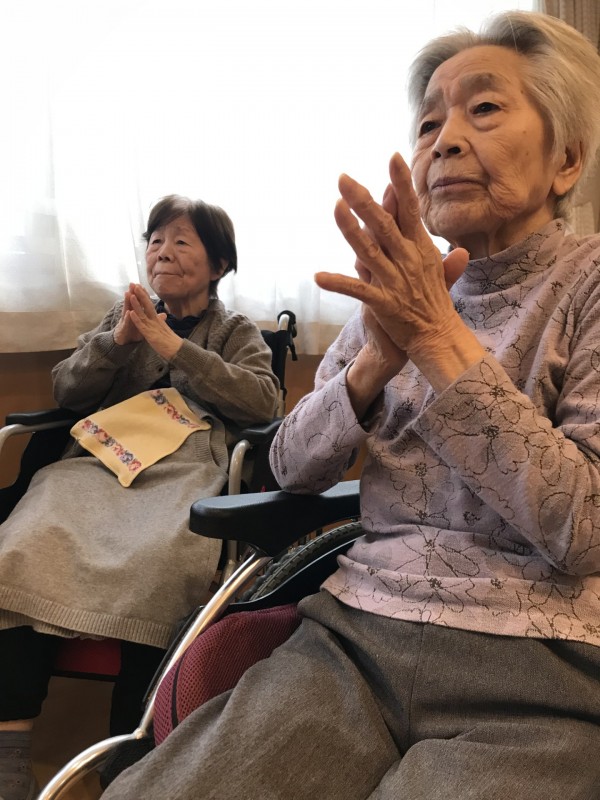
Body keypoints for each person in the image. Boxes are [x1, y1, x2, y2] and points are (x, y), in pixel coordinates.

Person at [100, 10, 600, 800]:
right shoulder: (392, 297)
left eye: (484, 108)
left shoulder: (587, 285)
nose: (445, 140)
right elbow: (288, 464)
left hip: (540, 674)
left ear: (566, 159)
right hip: (355, 641)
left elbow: (584, 528)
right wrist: (373, 364)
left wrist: (439, 341)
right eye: (428, 124)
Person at [0, 194, 279, 800]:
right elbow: (67, 390)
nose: (163, 252)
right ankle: (9, 753)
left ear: (218, 265)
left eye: (181, 241)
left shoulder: (236, 332)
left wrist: (177, 349)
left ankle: (126, 766)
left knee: (165, 560)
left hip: (181, 472)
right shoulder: (122, 315)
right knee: (21, 543)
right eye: (156, 240)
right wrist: (119, 341)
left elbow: (264, 402)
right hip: (97, 467)